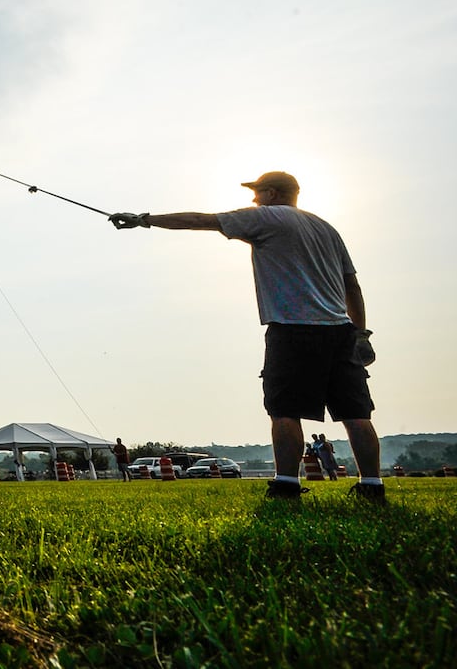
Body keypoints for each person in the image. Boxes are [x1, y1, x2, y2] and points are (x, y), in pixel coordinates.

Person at [111, 171, 384, 502]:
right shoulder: (327, 228)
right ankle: (372, 486)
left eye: (256, 192)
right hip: (340, 331)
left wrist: (143, 220)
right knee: (356, 414)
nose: (253, 199)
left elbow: (202, 220)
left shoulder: (265, 218)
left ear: (270, 193)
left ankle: (286, 485)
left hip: (292, 328)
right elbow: (351, 284)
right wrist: (361, 333)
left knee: (284, 410)